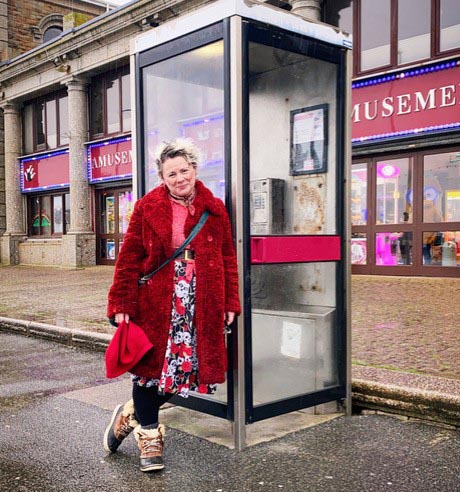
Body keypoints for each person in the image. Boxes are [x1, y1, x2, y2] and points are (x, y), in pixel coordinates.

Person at [103, 138, 241, 472]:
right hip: (159, 299)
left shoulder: (215, 208)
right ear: (162, 178)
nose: (179, 178)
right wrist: (122, 302)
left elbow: (227, 257)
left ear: (194, 169)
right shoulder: (146, 207)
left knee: (186, 371)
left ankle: (131, 414)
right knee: (151, 371)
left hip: (202, 300)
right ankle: (149, 438)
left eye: (183, 170)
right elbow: (129, 257)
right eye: (171, 174)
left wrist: (230, 300)